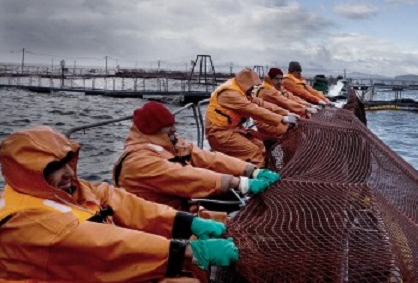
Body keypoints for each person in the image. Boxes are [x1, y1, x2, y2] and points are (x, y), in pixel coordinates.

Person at [0, 126, 238, 282]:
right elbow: (106, 246)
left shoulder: (69, 190)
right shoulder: (25, 223)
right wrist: (185, 250)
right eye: (53, 168)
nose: (68, 173)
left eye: (67, 162)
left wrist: (189, 223)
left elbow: (125, 204)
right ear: (28, 174)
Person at [114, 101, 280, 212]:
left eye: (173, 126)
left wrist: (251, 171)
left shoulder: (172, 142)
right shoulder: (137, 162)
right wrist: (238, 183)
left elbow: (208, 158)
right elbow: (183, 177)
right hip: (156, 224)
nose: (174, 131)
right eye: (168, 128)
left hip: (184, 209)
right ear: (152, 130)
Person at [205, 68, 299, 167]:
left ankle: (256, 170)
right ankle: (257, 179)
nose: (253, 88)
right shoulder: (230, 94)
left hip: (234, 129)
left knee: (259, 145)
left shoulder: (241, 91)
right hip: (219, 133)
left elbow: (260, 103)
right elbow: (253, 109)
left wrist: (286, 113)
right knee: (252, 152)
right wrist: (282, 119)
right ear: (245, 83)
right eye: (251, 86)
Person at [254, 67, 319, 138]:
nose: (279, 81)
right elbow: (285, 101)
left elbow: (291, 97)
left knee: (297, 123)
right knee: (292, 129)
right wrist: (305, 109)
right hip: (266, 122)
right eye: (277, 79)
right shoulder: (267, 90)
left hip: (275, 117)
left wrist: (308, 105)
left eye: (281, 79)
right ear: (271, 78)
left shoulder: (277, 87)